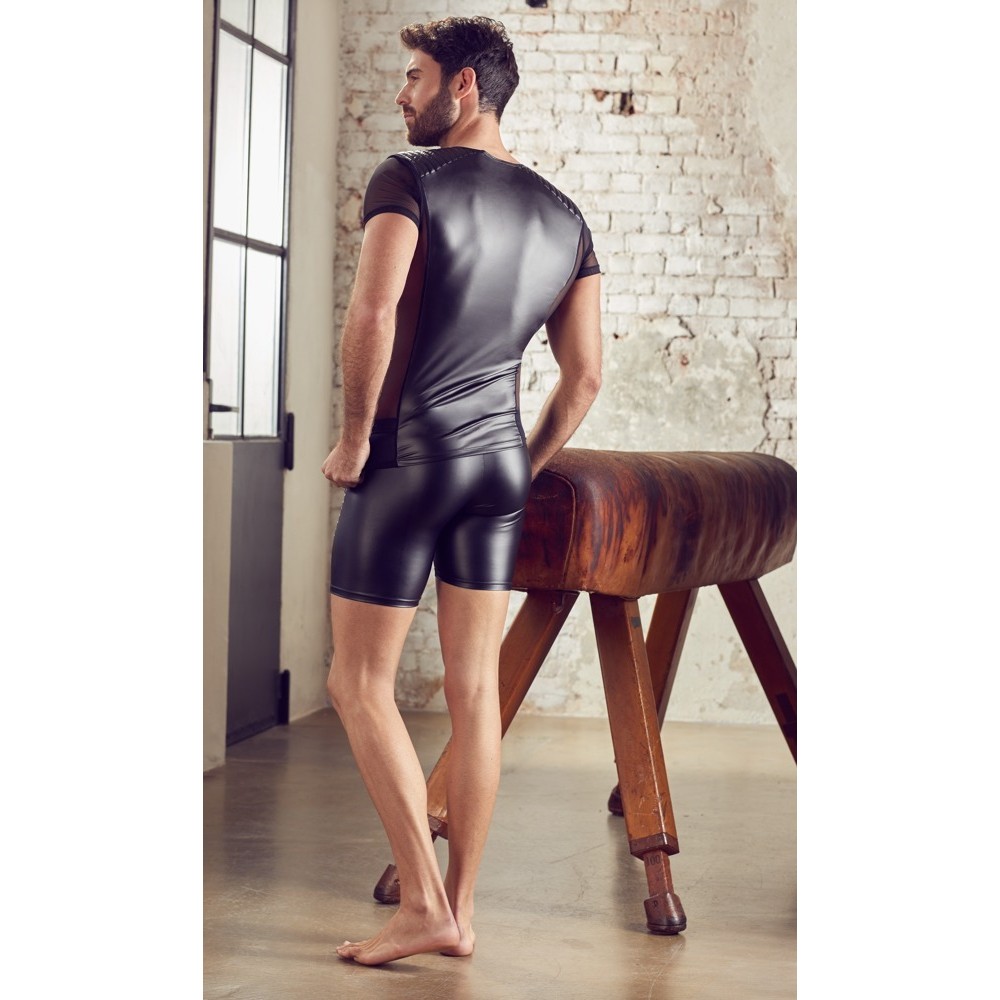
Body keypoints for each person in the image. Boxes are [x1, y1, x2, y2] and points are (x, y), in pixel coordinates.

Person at [321, 15, 602, 966]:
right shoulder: (566, 218)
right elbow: (585, 377)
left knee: (357, 682)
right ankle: (462, 912)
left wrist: (355, 439)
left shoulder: (409, 179)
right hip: (495, 468)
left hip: (410, 456)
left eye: (416, 76)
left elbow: (373, 311)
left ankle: (424, 904)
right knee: (476, 690)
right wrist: (522, 466)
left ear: (466, 87)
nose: (402, 93)